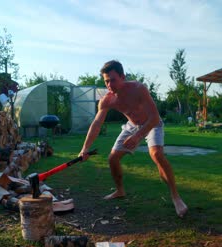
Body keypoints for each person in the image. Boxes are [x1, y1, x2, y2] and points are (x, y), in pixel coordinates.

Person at [79, 60, 188, 218]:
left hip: (152, 123)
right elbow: (96, 124)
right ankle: (120, 190)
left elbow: (154, 117)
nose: (109, 85)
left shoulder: (138, 89)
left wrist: (137, 136)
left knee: (156, 154)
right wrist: (85, 148)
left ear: (123, 77)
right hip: (132, 125)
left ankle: (176, 197)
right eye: (106, 81)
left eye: (113, 80)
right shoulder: (107, 100)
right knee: (112, 159)